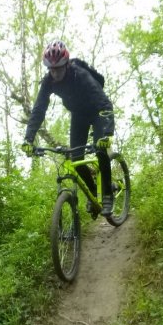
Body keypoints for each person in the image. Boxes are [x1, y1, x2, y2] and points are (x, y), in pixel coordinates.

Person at [22, 39, 115, 216]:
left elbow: (104, 103)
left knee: (100, 149)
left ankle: (108, 194)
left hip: (97, 112)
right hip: (78, 116)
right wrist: (28, 138)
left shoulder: (80, 75)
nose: (54, 73)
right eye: (51, 69)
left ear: (66, 64)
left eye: (58, 68)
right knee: (76, 159)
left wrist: (107, 133)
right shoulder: (48, 82)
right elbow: (39, 110)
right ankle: (94, 192)